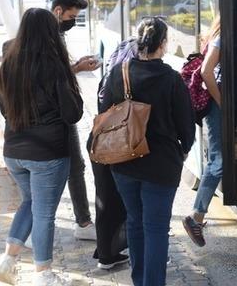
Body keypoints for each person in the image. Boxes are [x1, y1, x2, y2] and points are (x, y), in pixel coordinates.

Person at [101, 17, 195, 286]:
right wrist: (183, 152)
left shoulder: (119, 72)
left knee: (135, 222)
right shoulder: (172, 79)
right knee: (156, 229)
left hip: (124, 161)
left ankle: (139, 279)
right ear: (163, 44)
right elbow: (186, 126)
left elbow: (104, 114)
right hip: (161, 165)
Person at [0, 8, 83, 286]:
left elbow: (3, 110)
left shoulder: (7, 64)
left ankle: (7, 261)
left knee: (30, 203)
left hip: (14, 152)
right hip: (48, 154)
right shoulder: (54, 66)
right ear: (49, 32)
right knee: (44, 214)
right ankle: (44, 275)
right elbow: (73, 113)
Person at [51, 0, 98, 241]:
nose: (72, 21)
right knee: (71, 167)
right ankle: (83, 222)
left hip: (61, 110)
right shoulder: (48, 35)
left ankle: (83, 221)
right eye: (71, 15)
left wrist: (76, 66)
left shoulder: (56, 32)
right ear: (58, 11)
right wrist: (77, 68)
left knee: (74, 166)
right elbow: (51, 76)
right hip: (57, 112)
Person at [87, 38, 137, 270]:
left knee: (104, 199)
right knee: (120, 201)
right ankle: (113, 252)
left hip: (100, 142)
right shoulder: (127, 78)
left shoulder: (108, 75)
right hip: (117, 145)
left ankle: (106, 252)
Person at [182, 16, 222, 247]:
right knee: (219, 161)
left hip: (222, 102)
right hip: (217, 105)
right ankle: (195, 217)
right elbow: (207, 72)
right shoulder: (224, 38)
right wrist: (222, 102)